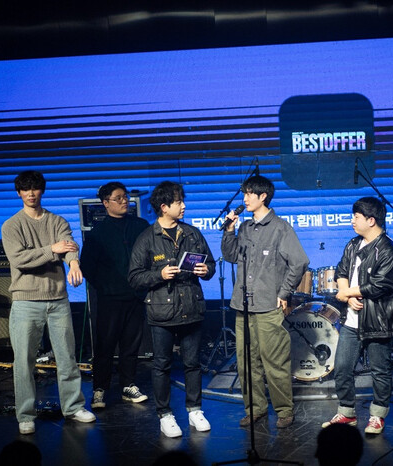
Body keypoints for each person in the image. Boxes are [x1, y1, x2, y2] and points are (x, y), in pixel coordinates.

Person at [1, 170, 96, 435]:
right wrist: (51, 249)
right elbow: (19, 259)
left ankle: (73, 407)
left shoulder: (57, 221)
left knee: (67, 357)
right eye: (25, 189)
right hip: (25, 301)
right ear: (19, 193)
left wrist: (73, 263)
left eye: (35, 188)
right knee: (24, 361)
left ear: (42, 190)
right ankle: (25, 414)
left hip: (57, 300)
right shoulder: (12, 225)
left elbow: (69, 246)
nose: (30, 193)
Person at [220, 175, 309, 429]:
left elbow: (300, 262)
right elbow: (230, 255)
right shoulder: (245, 227)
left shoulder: (281, 228)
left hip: (269, 306)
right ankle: (255, 409)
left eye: (249, 194)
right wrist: (229, 230)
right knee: (246, 361)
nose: (245, 198)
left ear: (263, 197)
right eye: (244, 193)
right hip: (243, 306)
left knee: (275, 361)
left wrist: (284, 292)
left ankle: (284, 411)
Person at [128, 181, 216, 438]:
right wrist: (160, 274)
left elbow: (210, 264)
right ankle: (165, 414)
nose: (184, 206)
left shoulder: (192, 233)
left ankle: (195, 410)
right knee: (162, 365)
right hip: (162, 312)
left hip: (191, 307)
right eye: (179, 202)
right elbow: (134, 277)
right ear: (164, 207)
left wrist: (206, 270)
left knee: (192, 363)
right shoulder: (147, 238)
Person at [321, 197, 393, 435]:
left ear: (371, 220)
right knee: (342, 367)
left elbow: (380, 285)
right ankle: (347, 412)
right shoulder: (353, 244)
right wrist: (347, 296)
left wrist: (347, 293)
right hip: (352, 320)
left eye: (356, 217)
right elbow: (341, 270)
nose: (352, 221)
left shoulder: (387, 249)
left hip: (378, 320)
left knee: (380, 370)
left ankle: (377, 415)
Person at [80, 182, 150, 409]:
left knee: (132, 344)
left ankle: (128, 385)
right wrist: (105, 287)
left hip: (136, 296)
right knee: (105, 345)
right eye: (118, 198)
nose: (124, 201)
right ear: (105, 203)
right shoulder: (98, 233)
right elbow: (87, 266)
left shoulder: (140, 226)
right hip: (110, 298)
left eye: (125, 197)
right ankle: (100, 388)